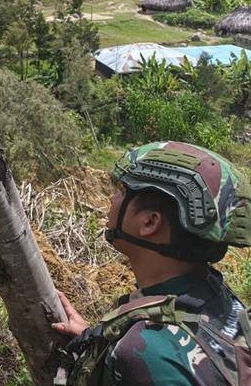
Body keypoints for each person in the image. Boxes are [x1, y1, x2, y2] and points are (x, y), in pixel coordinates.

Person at [53, 141, 251, 385]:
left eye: (123, 192)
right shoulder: (214, 294)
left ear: (149, 223)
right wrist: (94, 342)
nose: (113, 199)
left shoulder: (143, 354)